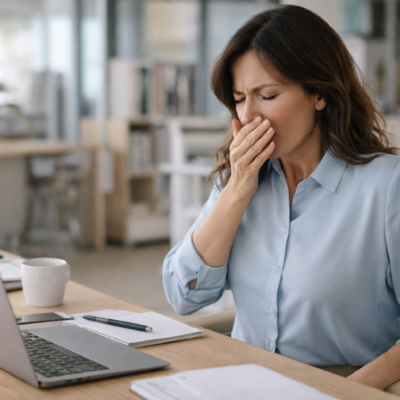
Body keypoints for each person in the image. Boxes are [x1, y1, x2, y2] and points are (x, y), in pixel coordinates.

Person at [163, 5, 400, 394]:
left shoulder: (387, 186)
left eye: (267, 95)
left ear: (319, 93)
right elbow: (183, 294)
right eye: (240, 99)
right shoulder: (240, 180)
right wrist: (237, 190)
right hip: (240, 383)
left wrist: (350, 390)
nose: (250, 115)